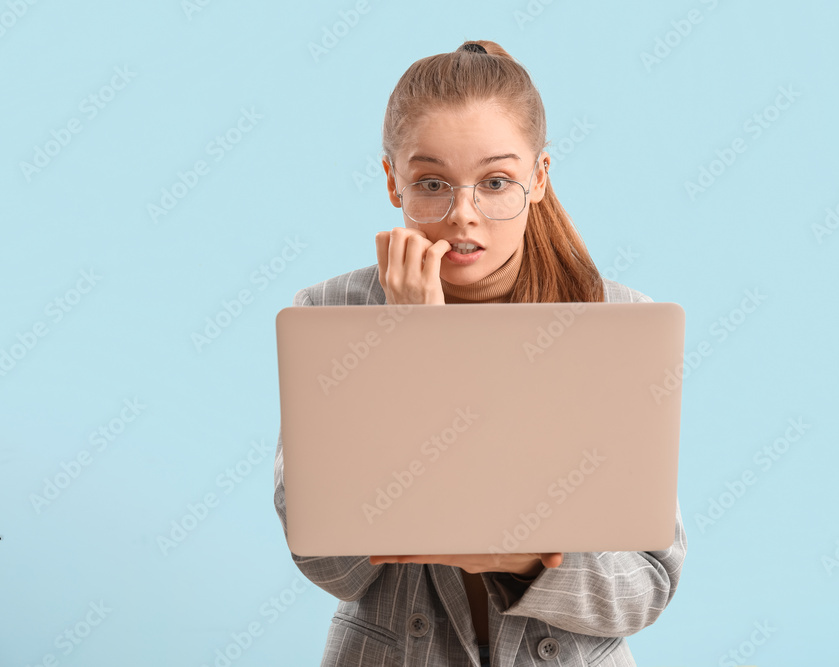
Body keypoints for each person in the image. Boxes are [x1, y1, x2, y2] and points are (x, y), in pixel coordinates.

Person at [273, 39, 687, 667]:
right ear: (393, 182)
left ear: (539, 177)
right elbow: (326, 561)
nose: (463, 216)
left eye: (496, 182)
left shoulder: (617, 323)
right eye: (433, 183)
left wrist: (522, 562)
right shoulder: (332, 315)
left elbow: (647, 586)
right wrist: (416, 343)